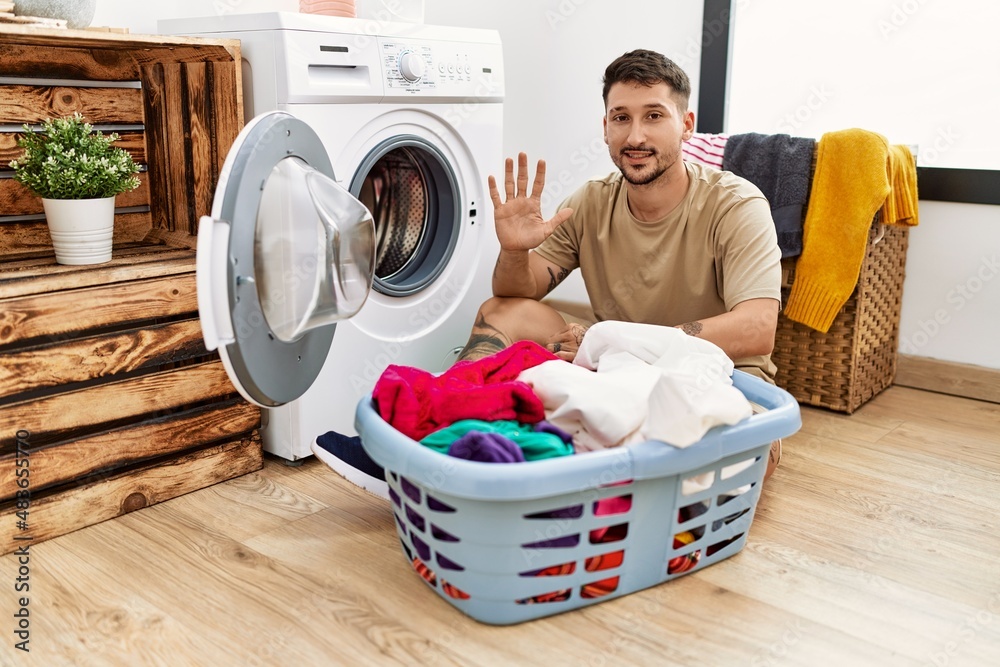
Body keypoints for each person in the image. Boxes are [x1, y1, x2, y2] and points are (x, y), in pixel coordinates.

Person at [315, 49, 783, 497]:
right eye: (621, 117)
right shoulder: (591, 201)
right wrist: (515, 250)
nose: (635, 135)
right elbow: (515, 293)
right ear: (605, 128)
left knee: (702, 457)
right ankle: (435, 434)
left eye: (654, 115)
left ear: (686, 125)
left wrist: (619, 341)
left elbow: (758, 329)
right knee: (504, 311)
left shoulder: (735, 203)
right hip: (615, 368)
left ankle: (516, 476)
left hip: (719, 378)